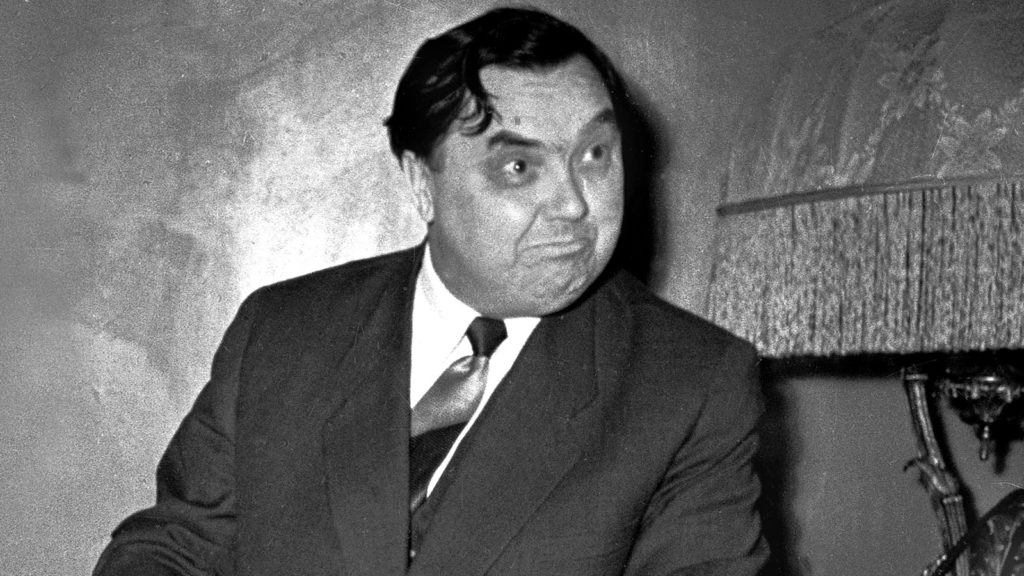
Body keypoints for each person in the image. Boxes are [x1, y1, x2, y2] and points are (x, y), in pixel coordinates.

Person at [93, 7, 767, 576]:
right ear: (423, 184)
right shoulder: (281, 329)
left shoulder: (692, 383)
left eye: (594, 155)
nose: (574, 204)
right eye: (519, 166)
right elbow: (175, 547)